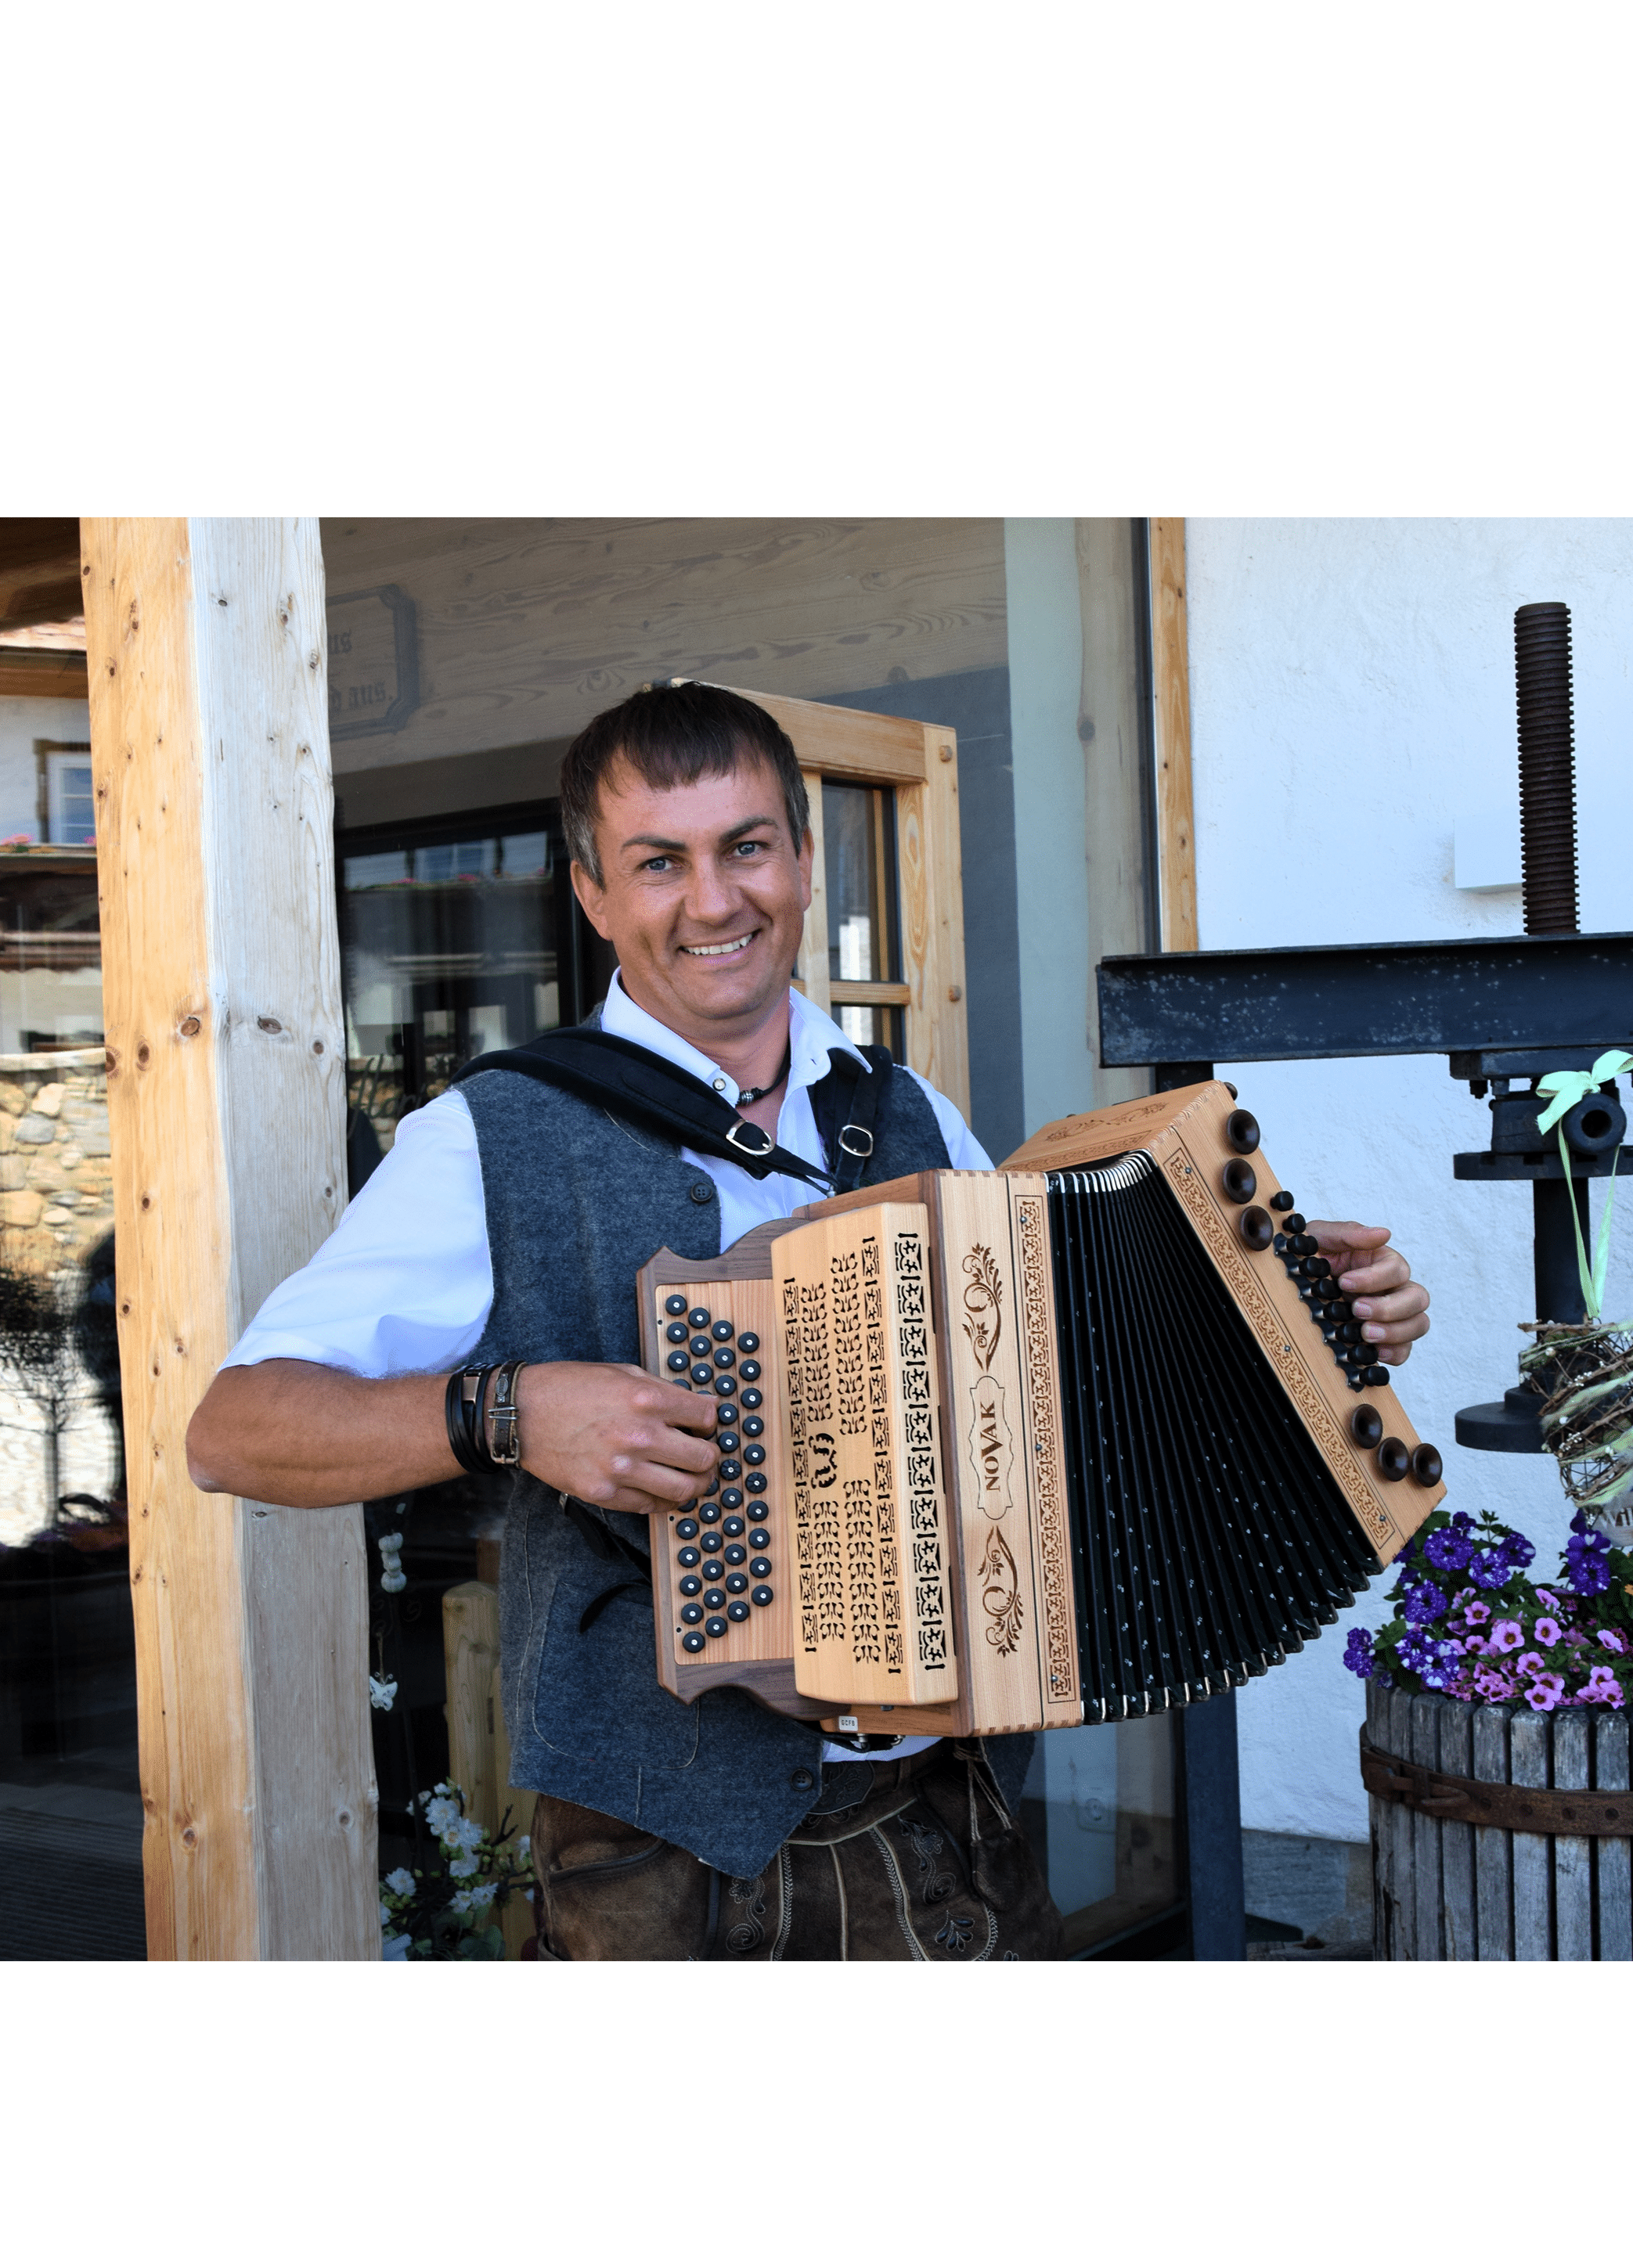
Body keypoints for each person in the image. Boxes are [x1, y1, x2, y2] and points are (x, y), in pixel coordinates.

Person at [186, 682, 1432, 1960]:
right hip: (670, 1868)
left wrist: (1298, 1324)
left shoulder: (906, 1112)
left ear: (800, 858)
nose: (712, 901)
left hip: (953, 1827)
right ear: (593, 895)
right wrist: (511, 1411)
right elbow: (235, 1431)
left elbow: (1066, 1383)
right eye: (657, 863)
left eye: (745, 847)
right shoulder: (489, 1135)